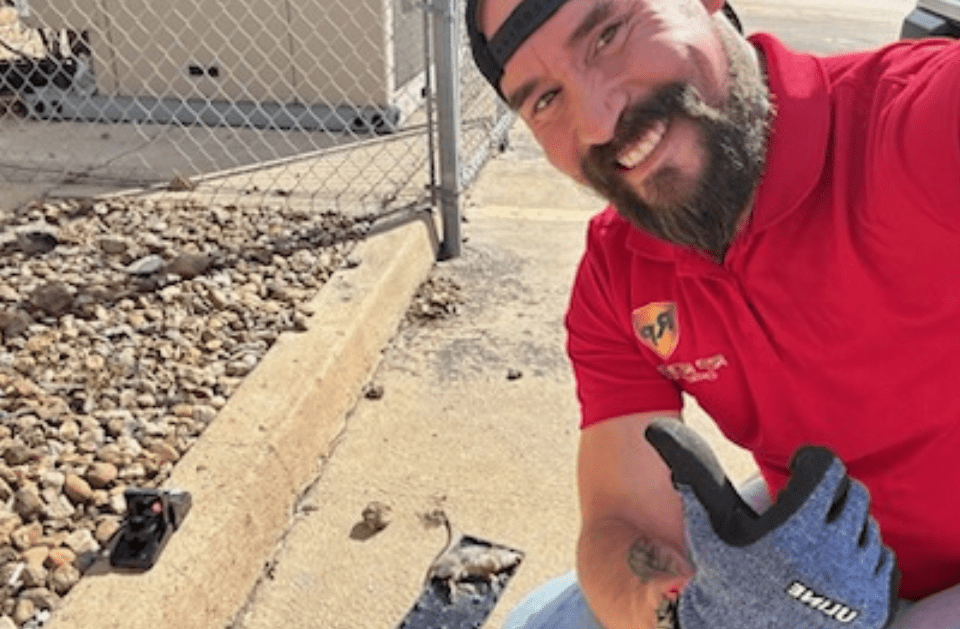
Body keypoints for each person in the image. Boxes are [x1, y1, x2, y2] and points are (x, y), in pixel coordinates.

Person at [465, 0, 960, 627]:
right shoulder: (619, 273)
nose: (596, 120)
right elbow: (621, 519)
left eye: (608, 34)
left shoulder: (911, 124)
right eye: (544, 100)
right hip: (819, 560)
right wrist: (685, 614)